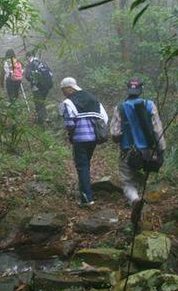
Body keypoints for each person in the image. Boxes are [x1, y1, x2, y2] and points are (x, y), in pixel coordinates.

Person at [110, 78, 166, 206]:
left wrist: (121, 137)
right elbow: (158, 130)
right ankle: (143, 198)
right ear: (141, 90)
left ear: (128, 90)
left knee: (128, 181)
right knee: (143, 174)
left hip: (128, 151)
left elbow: (115, 133)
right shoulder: (150, 105)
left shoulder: (120, 107)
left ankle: (135, 200)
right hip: (148, 151)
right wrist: (161, 149)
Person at [59, 77, 108, 206]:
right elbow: (104, 118)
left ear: (69, 88)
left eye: (63, 90)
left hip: (80, 139)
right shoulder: (92, 98)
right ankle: (86, 191)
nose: (63, 93)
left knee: (82, 167)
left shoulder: (69, 102)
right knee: (85, 165)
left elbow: (69, 124)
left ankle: (87, 198)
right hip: (93, 139)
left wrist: (71, 132)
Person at [24, 51, 53, 124]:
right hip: (47, 86)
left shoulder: (30, 64)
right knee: (41, 102)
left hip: (37, 87)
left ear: (28, 57)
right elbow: (50, 73)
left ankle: (41, 121)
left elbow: (27, 76)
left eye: (26, 58)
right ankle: (46, 117)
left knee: (38, 103)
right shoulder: (42, 62)